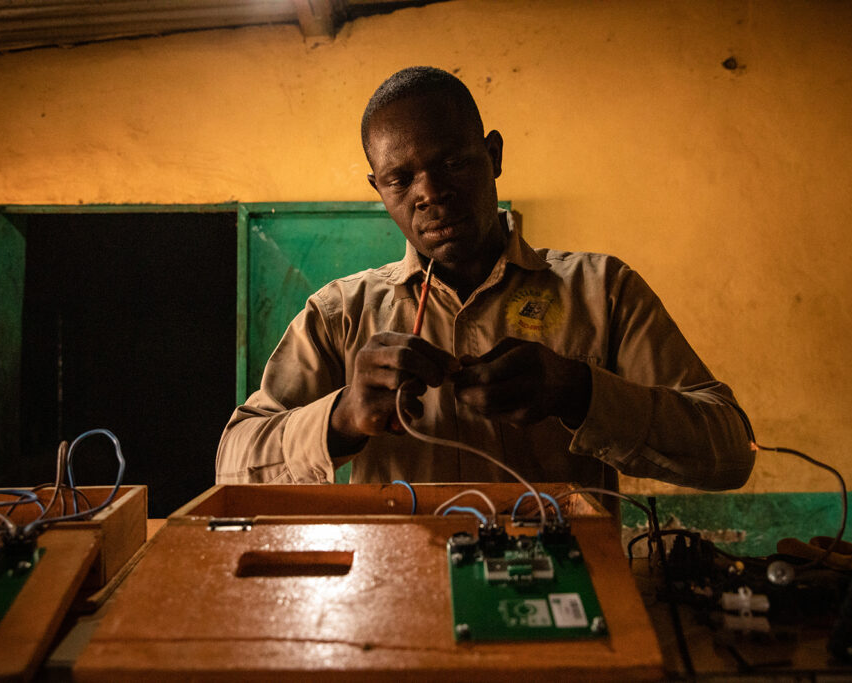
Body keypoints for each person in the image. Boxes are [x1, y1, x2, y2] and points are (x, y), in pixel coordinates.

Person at [216, 66, 754, 499]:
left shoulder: (603, 291)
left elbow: (731, 451)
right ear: (378, 187)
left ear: (493, 156)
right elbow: (232, 463)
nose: (430, 193)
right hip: (394, 599)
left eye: (452, 162)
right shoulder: (341, 313)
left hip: (560, 603)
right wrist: (344, 416)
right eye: (400, 179)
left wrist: (576, 391)